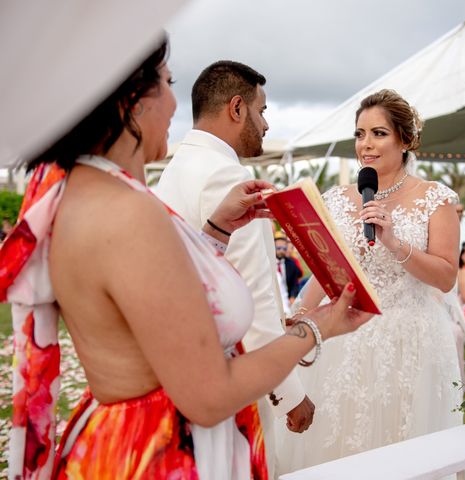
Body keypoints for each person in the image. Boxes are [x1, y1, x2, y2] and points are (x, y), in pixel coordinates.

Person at [1, 37, 372, 479]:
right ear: (130, 102)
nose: (177, 104)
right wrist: (318, 327)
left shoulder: (78, 194)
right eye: (167, 82)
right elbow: (208, 394)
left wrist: (215, 233)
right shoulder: (128, 212)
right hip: (161, 452)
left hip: (117, 434)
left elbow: (150, 297)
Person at [276, 89, 462, 473]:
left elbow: (445, 277)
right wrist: (297, 314)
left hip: (410, 342)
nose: (366, 145)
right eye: (360, 134)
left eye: (378, 133)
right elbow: (325, 269)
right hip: (343, 340)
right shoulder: (338, 199)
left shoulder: (435, 199)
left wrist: (395, 243)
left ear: (405, 140)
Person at [155, 60, 314, 475]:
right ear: (237, 108)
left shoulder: (175, 170)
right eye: (262, 111)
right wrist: (289, 392)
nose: (264, 124)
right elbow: (254, 292)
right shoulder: (226, 175)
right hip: (236, 377)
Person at [275, 236, 302, 308]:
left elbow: (294, 284)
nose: (281, 251)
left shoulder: (291, 264)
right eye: (278, 248)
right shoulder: (268, 263)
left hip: (287, 299)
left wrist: (292, 297)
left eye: (284, 248)